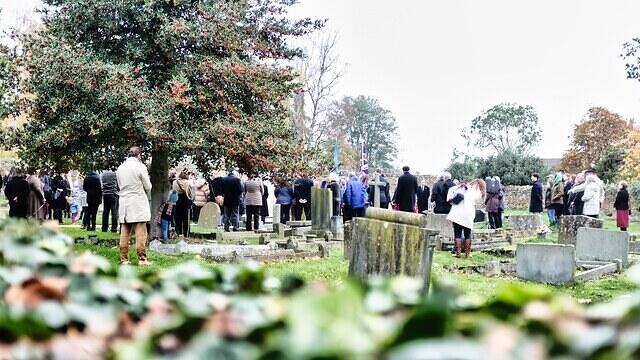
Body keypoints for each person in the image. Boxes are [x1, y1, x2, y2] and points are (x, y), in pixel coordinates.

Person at [116, 146, 152, 266]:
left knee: (124, 231)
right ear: (139, 155)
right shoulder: (140, 166)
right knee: (141, 231)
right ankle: (142, 259)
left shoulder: (120, 168)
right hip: (137, 201)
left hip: (124, 201)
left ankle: (124, 259)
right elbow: (148, 186)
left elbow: (119, 185)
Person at [447, 179, 486, 257]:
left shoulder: (461, 188)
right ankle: (467, 254)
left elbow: (450, 198)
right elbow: (479, 202)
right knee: (467, 234)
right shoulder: (479, 193)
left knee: (457, 233)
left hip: (457, 213)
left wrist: (459, 187)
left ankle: (458, 253)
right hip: (468, 214)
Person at [172, 171, 194, 238]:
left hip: (177, 200)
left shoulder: (175, 182)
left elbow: (174, 191)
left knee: (177, 218)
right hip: (186, 200)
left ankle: (178, 233)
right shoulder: (188, 182)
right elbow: (190, 193)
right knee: (186, 220)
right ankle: (186, 235)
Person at [101, 168, 119, 233]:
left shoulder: (103, 174)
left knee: (105, 212)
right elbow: (118, 183)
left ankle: (104, 228)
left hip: (105, 194)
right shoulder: (115, 174)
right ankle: (114, 228)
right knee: (114, 212)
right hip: (113, 194)